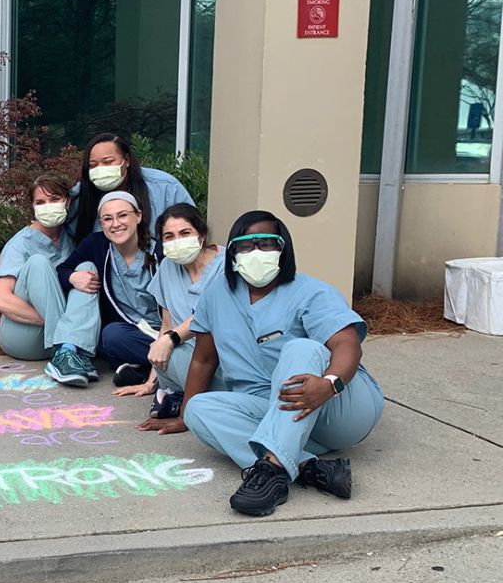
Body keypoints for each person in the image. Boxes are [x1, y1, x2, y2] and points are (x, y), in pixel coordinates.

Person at [137, 210, 385, 518]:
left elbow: (347, 343)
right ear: (233, 252)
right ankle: (309, 467)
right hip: (274, 409)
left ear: (283, 249)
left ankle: (271, 473)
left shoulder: (310, 291)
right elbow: (203, 358)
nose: (256, 253)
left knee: (301, 348)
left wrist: (330, 383)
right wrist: (185, 415)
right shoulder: (218, 295)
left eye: (266, 244)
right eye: (246, 246)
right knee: (200, 410)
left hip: (337, 406)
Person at [42, 191, 161, 388]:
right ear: (101, 223)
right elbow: (63, 270)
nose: (116, 224)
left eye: (122, 215)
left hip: (168, 331)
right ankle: (159, 366)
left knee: (177, 348)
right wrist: (73, 277)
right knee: (111, 336)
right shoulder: (97, 244)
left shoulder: (160, 252)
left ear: (138, 216)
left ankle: (149, 367)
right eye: (108, 219)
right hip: (132, 334)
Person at [140, 203, 226, 418]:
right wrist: (151, 380)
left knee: (173, 350)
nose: (177, 241)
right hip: (181, 352)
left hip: (219, 356)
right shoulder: (167, 267)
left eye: (185, 233)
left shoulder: (226, 265)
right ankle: (175, 392)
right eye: (169, 236)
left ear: (201, 234)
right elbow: (167, 325)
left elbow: (211, 314)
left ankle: (194, 399)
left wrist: (170, 339)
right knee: (161, 349)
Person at [0, 175, 75, 361]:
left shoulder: (69, 237)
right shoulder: (20, 244)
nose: (48, 206)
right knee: (38, 263)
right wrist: (56, 321)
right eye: (40, 202)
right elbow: (1, 300)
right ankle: (66, 350)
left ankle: (70, 348)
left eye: (55, 199)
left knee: (87, 269)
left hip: (64, 338)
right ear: (33, 206)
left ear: (67, 202)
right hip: (25, 336)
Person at [68, 133, 194, 244]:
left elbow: (192, 230)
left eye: (108, 162)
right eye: (93, 165)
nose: (100, 169)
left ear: (126, 160)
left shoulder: (165, 187)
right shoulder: (81, 195)